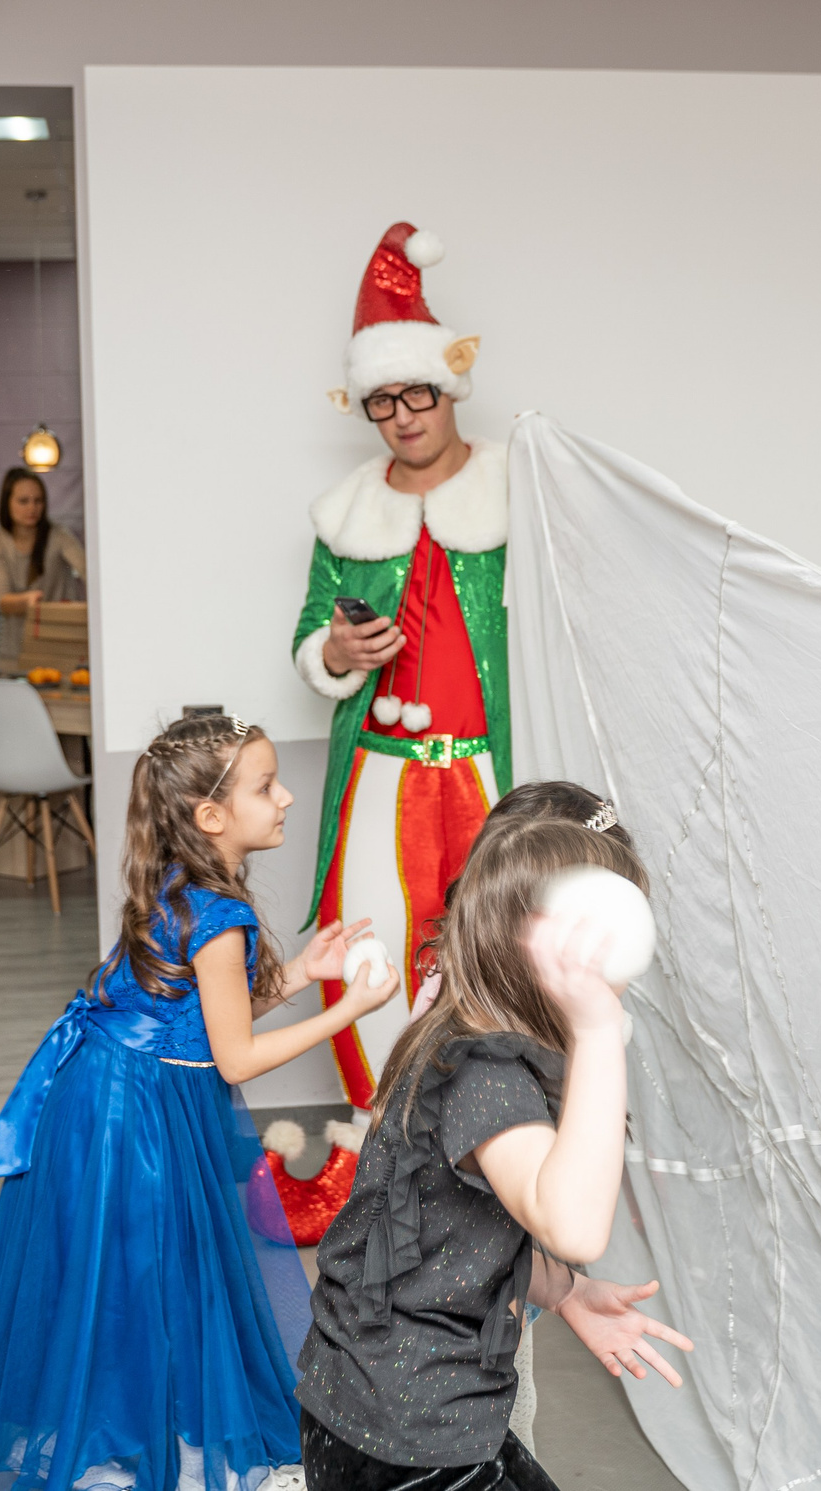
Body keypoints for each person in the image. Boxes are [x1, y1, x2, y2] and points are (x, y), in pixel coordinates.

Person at [0, 714, 400, 1491]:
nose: (287, 796)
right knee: (149, 1272)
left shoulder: (183, 885)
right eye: (267, 785)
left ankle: (117, 1436)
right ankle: (140, 1453)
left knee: (120, 1273)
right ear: (211, 817)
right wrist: (347, 1009)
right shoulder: (222, 916)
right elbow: (236, 1054)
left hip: (104, 1093)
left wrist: (303, 972)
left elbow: (195, 1018)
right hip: (136, 1114)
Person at [295, 812, 694, 1491]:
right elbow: (570, 1222)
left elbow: (446, 1236)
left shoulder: (460, 1032)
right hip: (404, 1430)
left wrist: (566, 1289)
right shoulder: (486, 1074)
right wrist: (598, 1026)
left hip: (373, 1404)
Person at [290, 222, 511, 1109]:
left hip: (493, 768)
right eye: (381, 402)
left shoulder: (517, 490)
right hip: (380, 772)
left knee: (507, 956)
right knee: (373, 957)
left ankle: (502, 1147)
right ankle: (381, 1147)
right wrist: (336, 651)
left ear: (451, 382)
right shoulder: (343, 514)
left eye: (417, 392)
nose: (403, 416)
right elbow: (308, 630)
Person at [0, 465, 86, 659]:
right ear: (7, 503)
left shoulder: (59, 535)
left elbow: (87, 570)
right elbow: (1, 599)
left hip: (61, 645)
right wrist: (28, 600)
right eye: (23, 501)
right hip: (16, 648)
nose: (32, 508)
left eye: (38, 501)